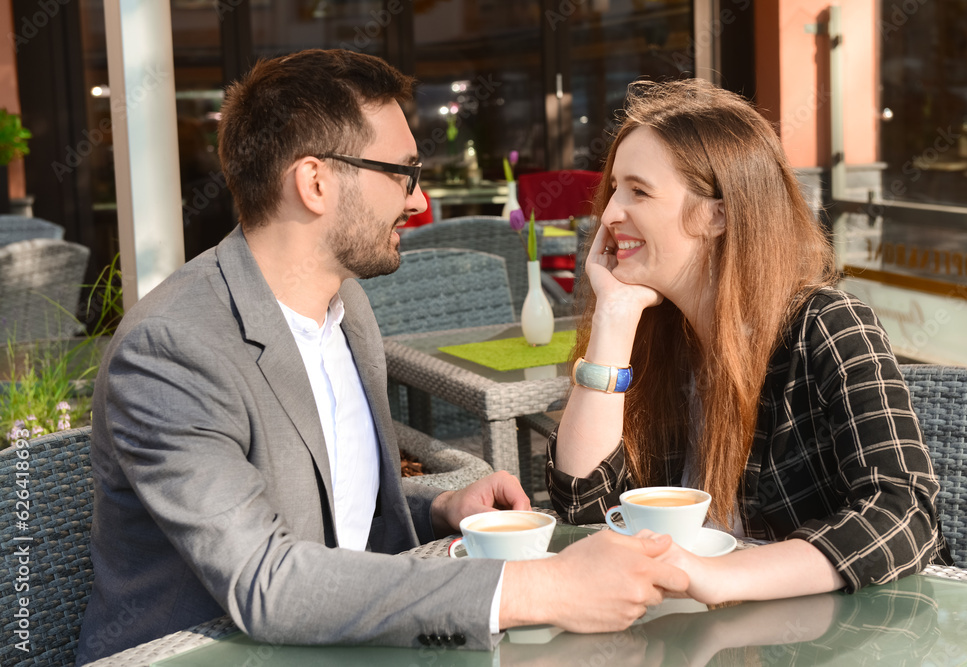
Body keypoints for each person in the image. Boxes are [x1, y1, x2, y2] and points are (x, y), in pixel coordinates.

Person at [76, 50, 690, 664]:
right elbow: (268, 582)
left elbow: (327, 507)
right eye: (403, 173)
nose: (419, 202)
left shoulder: (348, 310)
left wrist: (436, 507)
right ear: (314, 183)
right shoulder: (173, 349)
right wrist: (543, 588)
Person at [546, 78, 952, 605]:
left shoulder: (827, 324)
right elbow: (582, 509)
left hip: (853, 633)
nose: (609, 214)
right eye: (614, 189)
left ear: (716, 213)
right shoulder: (658, 337)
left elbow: (905, 513)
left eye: (638, 191)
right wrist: (613, 319)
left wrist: (719, 577)